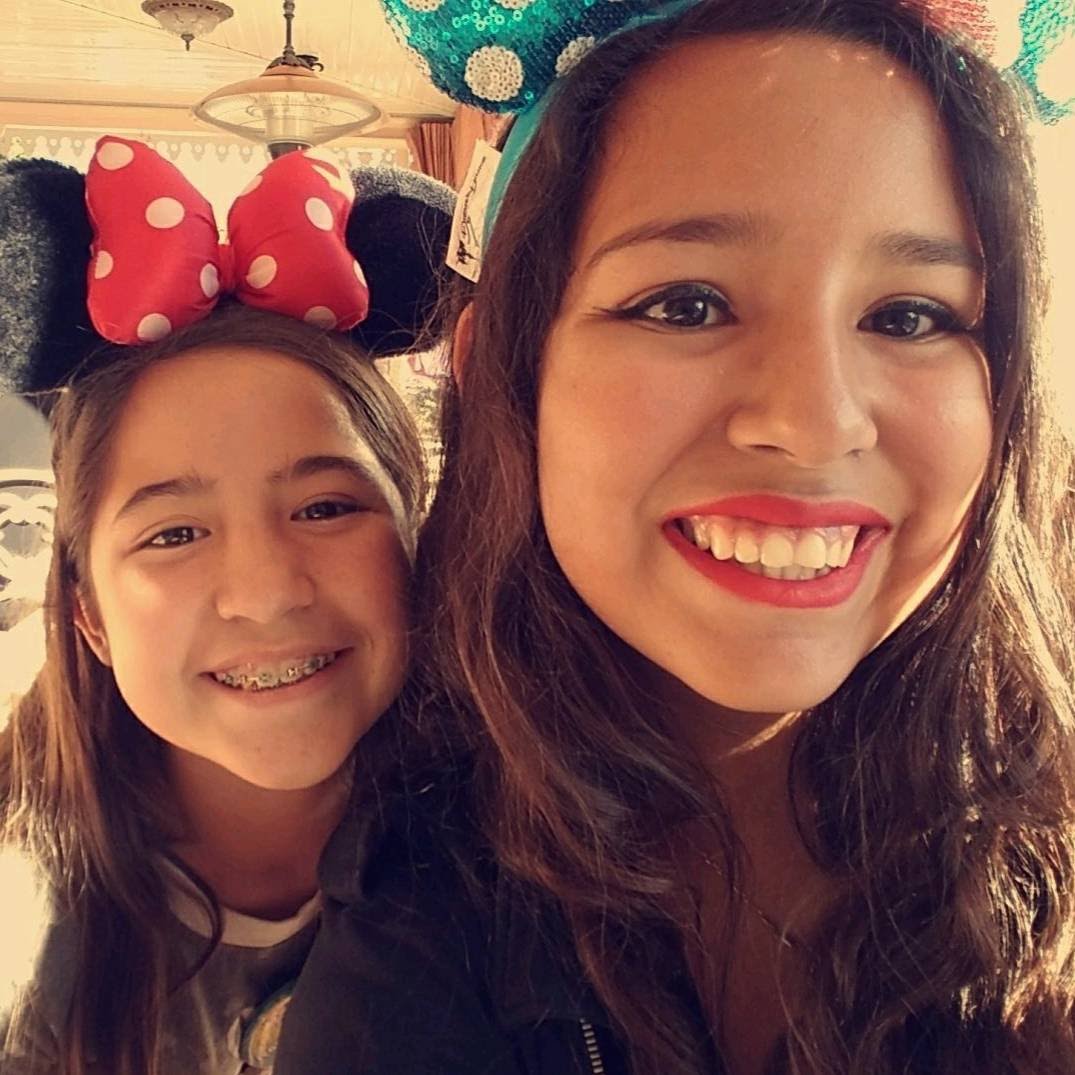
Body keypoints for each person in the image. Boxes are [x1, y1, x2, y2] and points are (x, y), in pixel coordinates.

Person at [275, 1, 1075, 1074]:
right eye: (685, 305)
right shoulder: (401, 923)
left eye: (910, 316)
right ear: (497, 369)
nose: (814, 421)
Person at [0, 138, 452, 1074]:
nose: (265, 592)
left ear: (414, 535)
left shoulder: (543, 844)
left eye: (325, 508)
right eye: (173, 533)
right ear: (89, 614)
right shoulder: (23, 928)